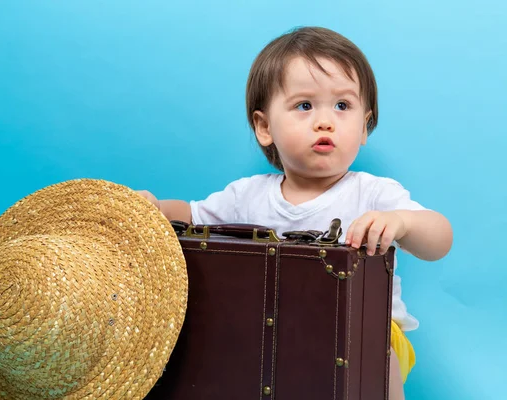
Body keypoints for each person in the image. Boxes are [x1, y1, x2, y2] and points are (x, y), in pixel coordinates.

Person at [137, 26, 453, 400]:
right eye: (305, 106)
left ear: (364, 127)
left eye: (343, 106)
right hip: (276, 334)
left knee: (378, 358)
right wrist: (154, 207)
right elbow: (191, 214)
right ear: (264, 127)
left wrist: (402, 222)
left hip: (363, 332)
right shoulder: (249, 194)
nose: (325, 121)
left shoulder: (373, 192)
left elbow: (440, 239)